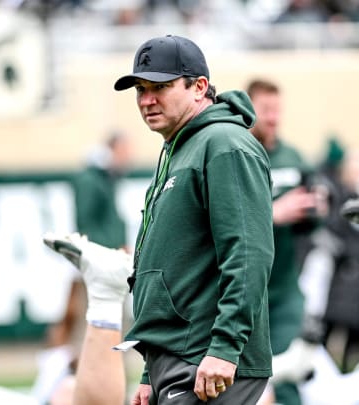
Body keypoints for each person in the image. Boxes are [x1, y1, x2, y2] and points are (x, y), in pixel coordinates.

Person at [114, 35, 275, 404]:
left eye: (160, 87)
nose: (146, 100)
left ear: (199, 87)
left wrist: (224, 348)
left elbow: (248, 254)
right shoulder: (179, 147)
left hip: (207, 357)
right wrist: (149, 369)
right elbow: (172, 267)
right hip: (179, 356)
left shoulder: (224, 144)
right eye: (140, 89)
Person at [36, 130, 133, 402]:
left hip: (112, 266)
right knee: (92, 332)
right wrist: (109, 250)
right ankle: (84, 392)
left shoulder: (106, 179)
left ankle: (108, 390)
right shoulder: (91, 179)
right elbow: (87, 223)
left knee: (114, 331)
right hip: (98, 269)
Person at [246, 78, 323, 405]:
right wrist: (271, 214)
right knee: (246, 379)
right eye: (265, 110)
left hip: (284, 287)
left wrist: (317, 207)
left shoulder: (293, 156)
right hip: (243, 288)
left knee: (290, 372)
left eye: (277, 110)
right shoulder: (234, 154)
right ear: (247, 111)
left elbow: (313, 219)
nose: (273, 118)